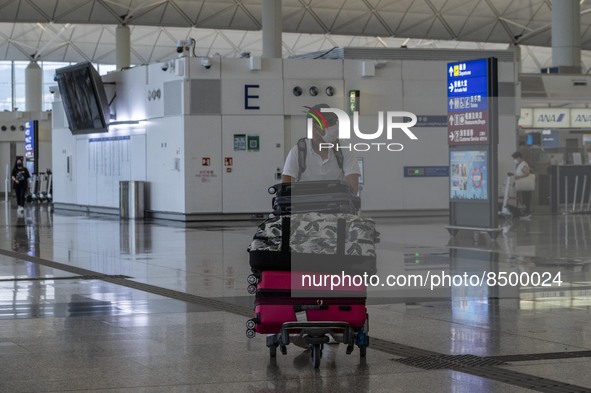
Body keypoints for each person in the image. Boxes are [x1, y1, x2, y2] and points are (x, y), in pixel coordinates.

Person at [282, 103, 360, 193]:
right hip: (305, 205)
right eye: (329, 123)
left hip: (337, 205)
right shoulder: (298, 152)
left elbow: (353, 188)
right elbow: (285, 190)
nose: (333, 127)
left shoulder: (344, 149)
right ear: (314, 126)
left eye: (335, 122)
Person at [509, 151, 532, 218]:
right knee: (524, 199)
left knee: (526, 199)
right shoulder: (520, 165)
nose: (514, 160)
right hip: (522, 185)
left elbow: (527, 173)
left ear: (518, 157)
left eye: (514, 158)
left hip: (525, 185)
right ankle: (525, 212)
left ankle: (527, 212)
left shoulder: (523, 164)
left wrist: (519, 177)